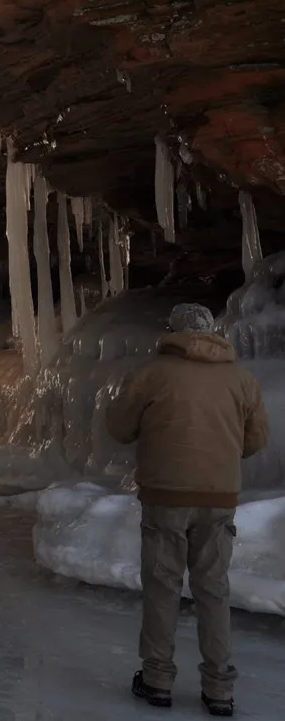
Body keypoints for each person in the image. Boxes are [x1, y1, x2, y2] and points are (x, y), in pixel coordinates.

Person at [106, 303, 268, 717]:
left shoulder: (151, 373)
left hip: (165, 497)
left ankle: (158, 680)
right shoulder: (241, 379)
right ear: (213, 332)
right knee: (213, 590)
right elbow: (255, 441)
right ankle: (219, 690)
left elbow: (119, 428)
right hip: (218, 499)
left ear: (173, 331)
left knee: (163, 588)